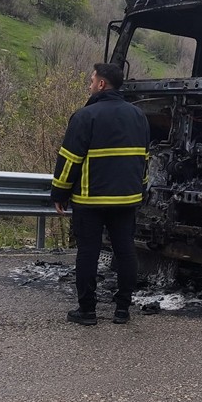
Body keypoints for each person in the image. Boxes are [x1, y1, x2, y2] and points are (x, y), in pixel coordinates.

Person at [50, 62, 150, 326]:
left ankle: (87, 312)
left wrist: (59, 192)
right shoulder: (139, 116)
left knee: (88, 253)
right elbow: (145, 159)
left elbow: (69, 160)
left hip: (90, 199)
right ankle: (122, 311)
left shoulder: (85, 116)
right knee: (126, 252)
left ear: (102, 84)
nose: (90, 84)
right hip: (126, 199)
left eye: (92, 80)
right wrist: (141, 189)